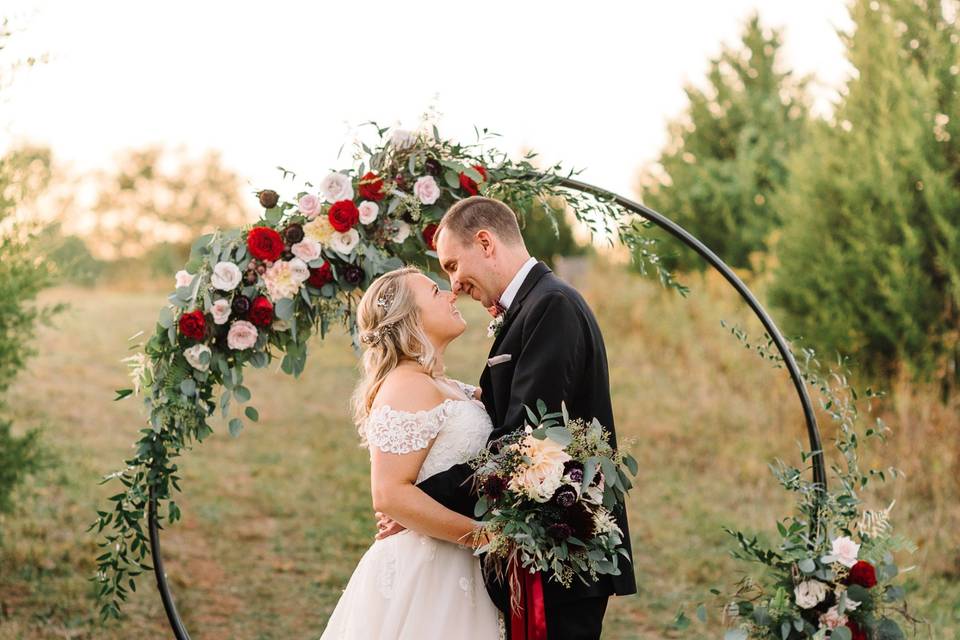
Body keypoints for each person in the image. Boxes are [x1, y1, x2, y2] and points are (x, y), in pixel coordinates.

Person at [376, 196, 637, 639]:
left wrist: (419, 499)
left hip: (564, 554)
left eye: (454, 265)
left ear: (485, 242)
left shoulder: (550, 306)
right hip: (541, 554)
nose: (454, 284)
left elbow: (524, 442)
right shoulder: (532, 307)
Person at [319, 265, 505, 639]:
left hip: (457, 564)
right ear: (410, 318)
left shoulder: (443, 384)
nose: (451, 293)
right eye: (435, 292)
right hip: (428, 569)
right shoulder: (405, 386)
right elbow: (389, 493)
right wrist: (484, 536)